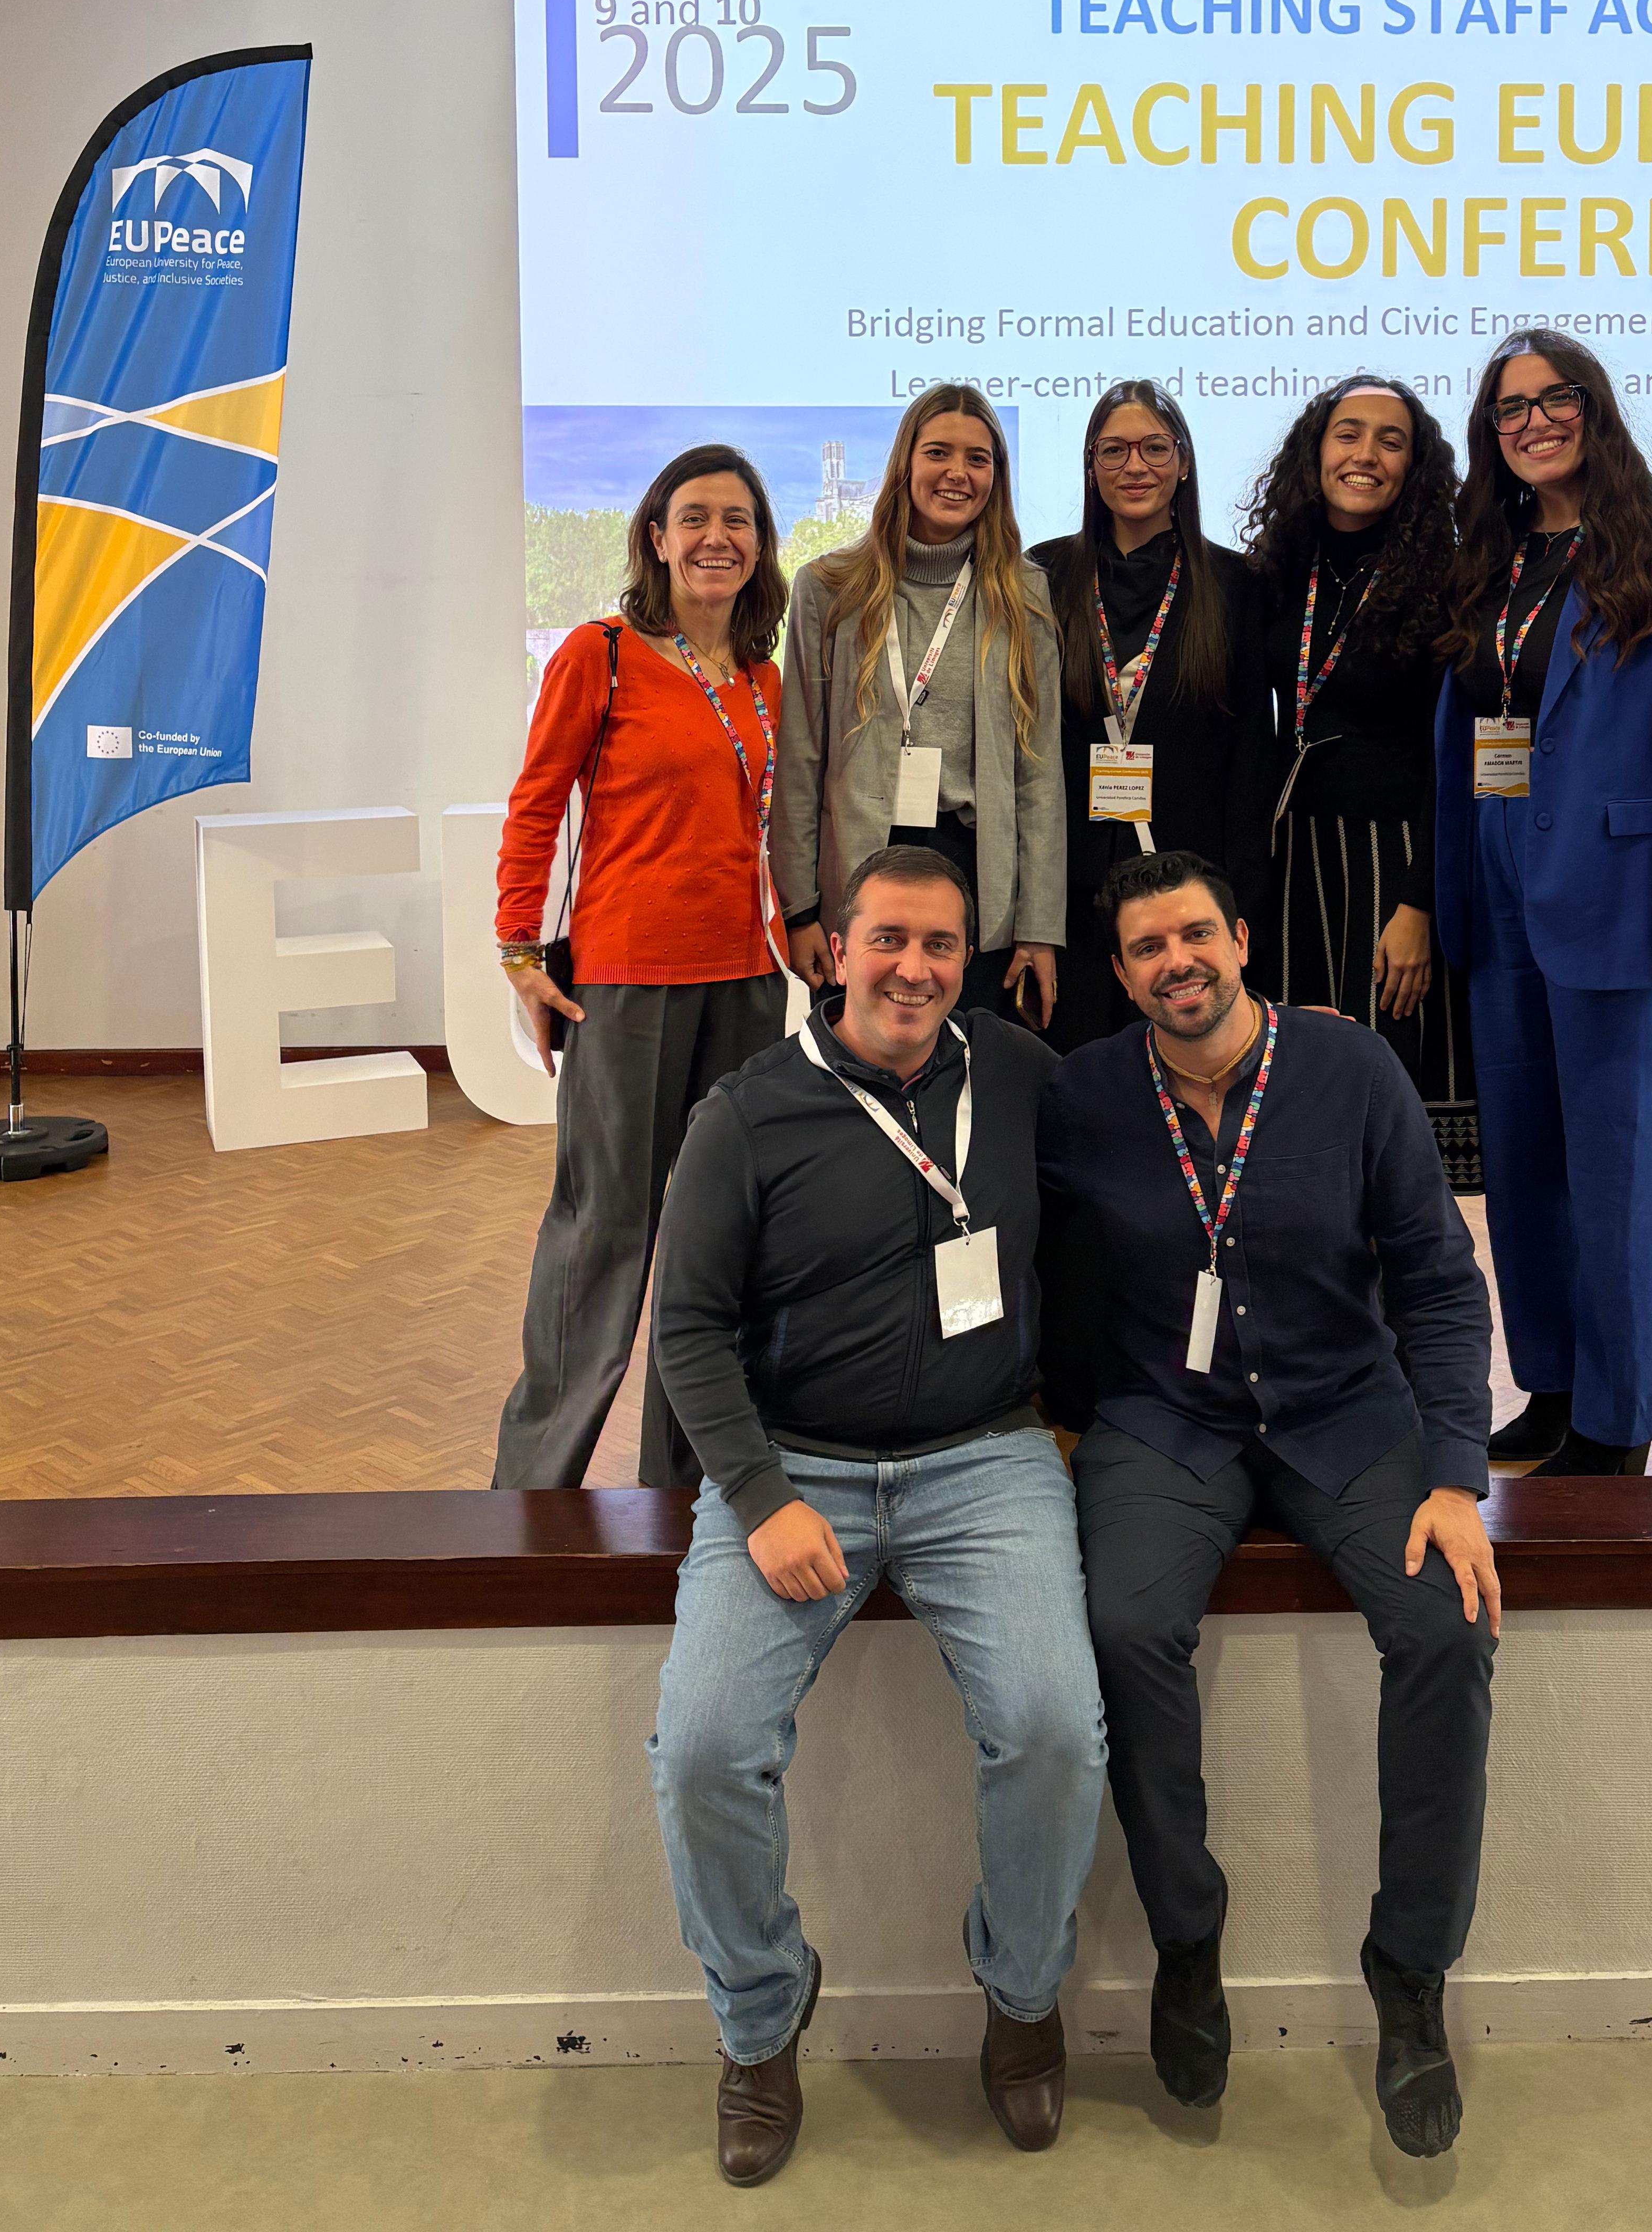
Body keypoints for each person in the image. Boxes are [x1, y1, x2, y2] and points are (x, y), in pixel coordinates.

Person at [647, 845, 1104, 2183]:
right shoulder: (748, 1114)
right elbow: (687, 1327)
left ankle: (1023, 2000)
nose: (915, 969)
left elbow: (1123, 1178)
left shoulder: (1018, 1074)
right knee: (704, 1749)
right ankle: (758, 2023)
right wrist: (760, 1494)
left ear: (970, 959)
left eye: (942, 946)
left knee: (1053, 1731)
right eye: (889, 940)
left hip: (988, 1461)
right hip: (795, 1471)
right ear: (831, 950)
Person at [1037, 848, 1499, 2163]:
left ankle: (1411, 1979)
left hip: (1346, 1415)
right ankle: (1190, 1941)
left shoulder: (1351, 1072)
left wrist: (1459, 1477)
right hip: (1165, 1425)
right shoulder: (1081, 1098)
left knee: (1447, 1626)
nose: (1175, 963)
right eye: (1143, 949)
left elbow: (1440, 1281)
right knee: (1123, 1628)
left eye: (1194, 934)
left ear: (1241, 939)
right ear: (1121, 975)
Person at [1434, 330, 1652, 1478]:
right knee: (1521, 1167)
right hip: (1500, 876)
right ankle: (1553, 1388)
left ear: (1593, 408)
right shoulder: (1494, 559)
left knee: (1622, 1172)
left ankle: (1620, 1422)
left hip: (1621, 893)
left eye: (1552, 399)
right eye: (1509, 411)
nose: (1532, 423)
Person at [492, 444, 791, 1490]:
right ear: (657, 539)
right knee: (604, 1232)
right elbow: (536, 805)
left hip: (748, 988)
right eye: (696, 518)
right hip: (625, 985)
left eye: (739, 521)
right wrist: (519, 950)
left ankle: (688, 1480)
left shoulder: (763, 680)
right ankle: (533, 1491)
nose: (718, 538)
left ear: (760, 548)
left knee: (719, 1238)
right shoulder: (601, 654)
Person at [775, 384, 1064, 1030]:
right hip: (859, 870)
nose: (958, 474)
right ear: (905, 464)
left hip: (977, 877)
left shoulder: (1024, 593)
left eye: (979, 459)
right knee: (865, 1076)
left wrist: (1039, 926)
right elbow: (800, 761)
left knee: (970, 1075)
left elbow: (1038, 774)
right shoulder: (830, 589)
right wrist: (799, 912)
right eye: (939, 453)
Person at [1245, 375, 1477, 1166]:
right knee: (1293, 1079)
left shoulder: (1450, 581)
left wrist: (1422, 905)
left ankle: (1395, 1281)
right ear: (1317, 451)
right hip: (1290, 861)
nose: (1366, 455)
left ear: (1416, 466)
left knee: (1385, 1081)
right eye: (1348, 434)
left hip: (1393, 864)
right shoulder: (1282, 567)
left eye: (1391, 439)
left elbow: (1460, 757)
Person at [1032, 378, 1271, 1051]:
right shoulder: (1042, 576)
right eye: (1113, 451)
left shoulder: (1234, 584)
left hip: (1188, 892)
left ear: (1185, 461)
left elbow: (1254, 751)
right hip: (1070, 889)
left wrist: (1237, 900)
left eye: (1155, 448)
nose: (1135, 467)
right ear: (1090, 466)